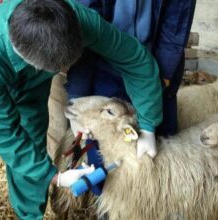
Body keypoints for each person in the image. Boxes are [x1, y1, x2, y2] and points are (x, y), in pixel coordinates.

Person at [0, 0, 162, 219]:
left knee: (33, 144)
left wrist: (148, 125)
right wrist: (56, 178)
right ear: (27, 58)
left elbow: (134, 58)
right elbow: (0, 130)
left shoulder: (75, 20)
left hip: (31, 86)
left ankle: (30, 216)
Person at [66, 0, 197, 137]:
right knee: (104, 145)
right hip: (106, 69)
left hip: (156, 69)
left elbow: (175, 29)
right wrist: (77, 96)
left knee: (161, 144)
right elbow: (85, 33)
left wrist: (161, 79)